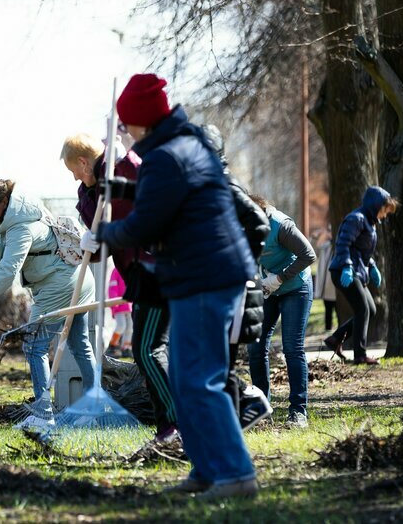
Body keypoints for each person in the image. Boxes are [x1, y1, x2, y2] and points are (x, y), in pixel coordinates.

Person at [90, 73, 258, 499]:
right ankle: (205, 470)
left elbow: (148, 222)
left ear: (143, 122)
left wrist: (105, 236)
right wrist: (123, 187)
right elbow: (172, 193)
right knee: (185, 379)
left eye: (125, 125)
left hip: (204, 276)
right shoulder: (182, 145)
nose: (123, 133)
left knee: (199, 380)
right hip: (201, 274)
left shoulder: (167, 155)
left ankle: (236, 475)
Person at [61, 132, 179, 445]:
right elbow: (101, 242)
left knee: (148, 350)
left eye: (74, 169)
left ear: (85, 162)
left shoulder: (126, 172)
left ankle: (175, 424)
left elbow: (130, 226)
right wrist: (92, 236)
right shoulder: (94, 187)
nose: (73, 176)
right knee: (149, 351)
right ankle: (171, 425)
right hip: (141, 276)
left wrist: (103, 235)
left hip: (157, 270)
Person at [0, 178, 97, 430]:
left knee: (34, 346)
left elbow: (7, 274)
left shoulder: (19, 227)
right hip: (79, 278)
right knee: (79, 344)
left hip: (59, 286)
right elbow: (36, 246)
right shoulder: (27, 213)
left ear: (4, 202)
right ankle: (94, 409)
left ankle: (43, 415)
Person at [201, 124, 272, 431]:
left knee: (222, 366)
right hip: (219, 286)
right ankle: (227, 422)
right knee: (215, 363)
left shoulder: (226, 186)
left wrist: (242, 264)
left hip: (236, 288)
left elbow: (259, 223)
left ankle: (245, 409)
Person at [248, 195, 315, 428]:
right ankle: (261, 408)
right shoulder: (245, 225)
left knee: (292, 347)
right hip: (268, 289)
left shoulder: (281, 225)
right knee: (255, 347)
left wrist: (280, 277)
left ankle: (298, 412)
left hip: (296, 288)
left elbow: (309, 254)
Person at [324, 186, 398, 365]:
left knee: (370, 310)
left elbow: (361, 251)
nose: (385, 215)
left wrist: (372, 266)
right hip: (344, 271)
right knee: (362, 309)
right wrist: (347, 267)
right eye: (384, 210)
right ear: (376, 205)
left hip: (357, 270)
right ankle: (360, 355)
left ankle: (336, 339)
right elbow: (343, 245)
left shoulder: (368, 222)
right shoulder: (356, 219)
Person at [107, 268, 133, 357]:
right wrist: (114, 304)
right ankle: (113, 345)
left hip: (129, 305)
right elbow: (112, 288)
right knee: (121, 326)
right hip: (119, 305)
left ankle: (126, 348)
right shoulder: (116, 271)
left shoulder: (132, 270)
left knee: (130, 328)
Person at [314, 235, 337, 332]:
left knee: (337, 309)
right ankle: (328, 330)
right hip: (327, 286)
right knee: (328, 309)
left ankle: (336, 332)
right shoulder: (326, 247)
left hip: (334, 287)